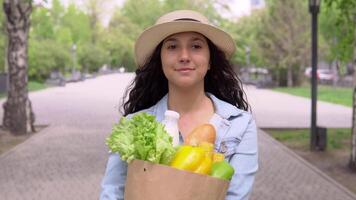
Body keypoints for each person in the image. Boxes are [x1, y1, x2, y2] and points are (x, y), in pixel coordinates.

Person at [100, 10, 258, 200]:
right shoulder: (134, 125)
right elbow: (112, 193)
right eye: (173, 46)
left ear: (209, 62)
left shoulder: (240, 124)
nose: (184, 56)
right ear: (160, 61)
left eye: (196, 46)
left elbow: (236, 197)